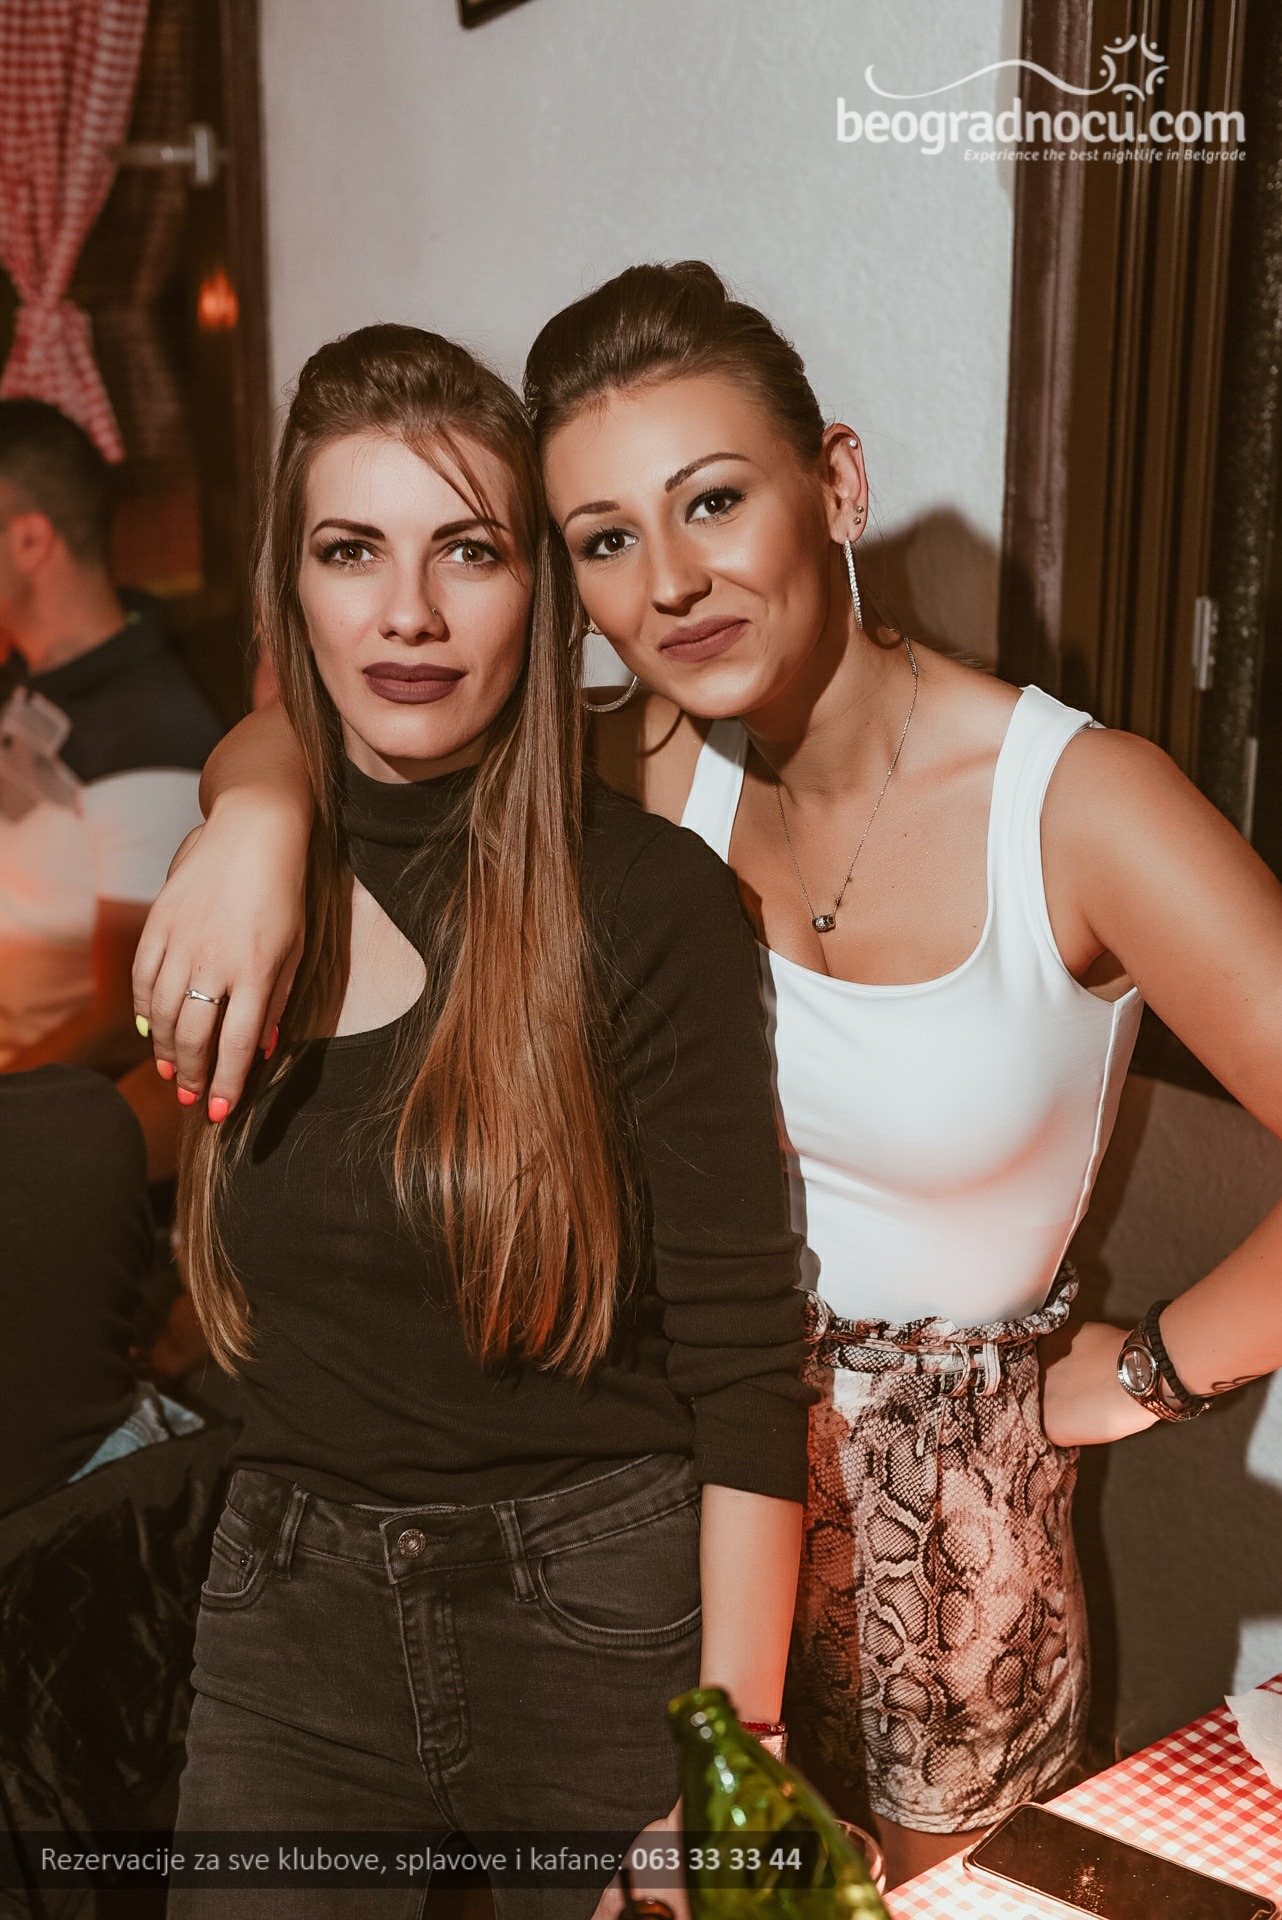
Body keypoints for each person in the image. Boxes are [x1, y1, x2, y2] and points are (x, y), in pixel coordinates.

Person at [132, 268, 1282, 1889]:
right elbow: (357, 716)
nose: (668, 581)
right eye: (604, 538)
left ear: (838, 483)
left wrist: (1149, 1371)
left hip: (923, 1539)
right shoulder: (639, 760)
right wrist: (250, 813)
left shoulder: (1078, 806)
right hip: (644, 1496)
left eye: (713, 501)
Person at [149, 323, 809, 1920]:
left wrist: (735, 1762)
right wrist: (251, 801)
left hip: (594, 1603)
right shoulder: (240, 880)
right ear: (291, 590)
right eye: (349, 551)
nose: (408, 613)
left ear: (542, 594)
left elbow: (741, 1361)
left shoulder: (642, 906)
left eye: (468, 551)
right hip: (286, 1601)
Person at [0, 399, 222, 1154]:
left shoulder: (149, 736)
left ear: (30, 539)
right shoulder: (35, 679)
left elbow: (122, 1021)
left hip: (41, 1112)